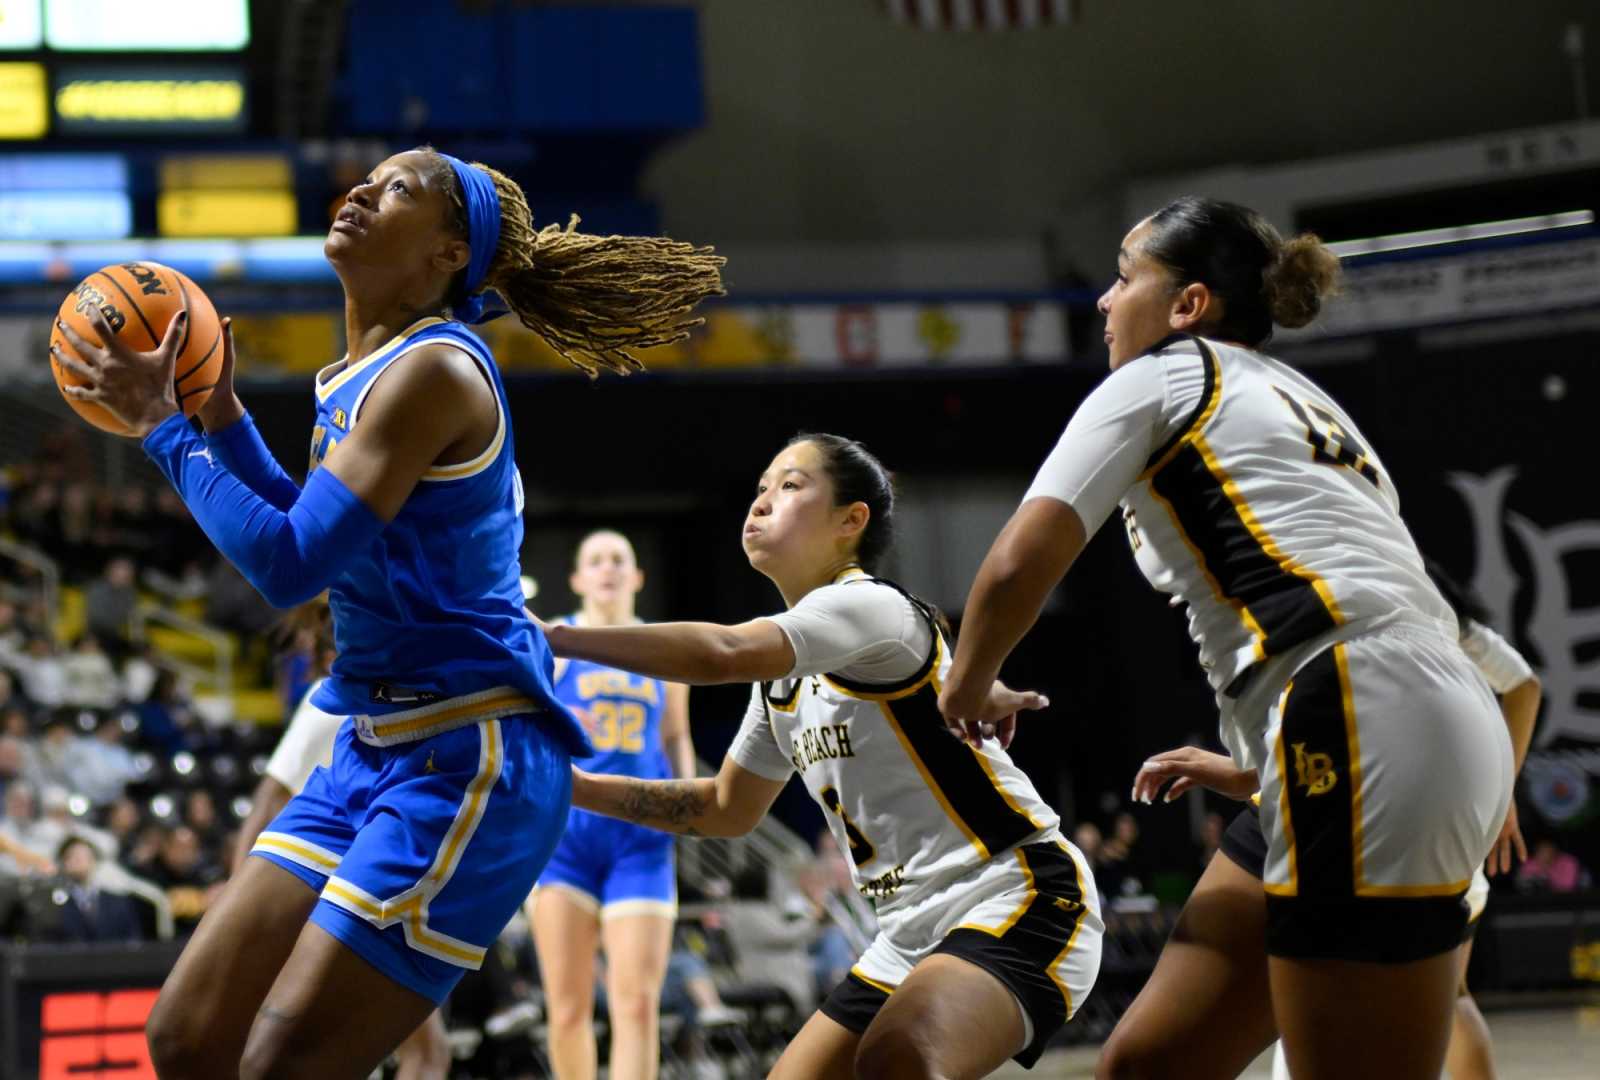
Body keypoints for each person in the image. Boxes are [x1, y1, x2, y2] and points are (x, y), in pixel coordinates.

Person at [51, 145, 723, 1078]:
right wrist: (220, 416)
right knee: (186, 1035)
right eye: (368, 179)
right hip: (374, 744)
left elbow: (291, 565)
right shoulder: (361, 377)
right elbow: (304, 522)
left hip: (471, 761)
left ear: (449, 252)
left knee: (280, 1062)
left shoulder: (436, 372)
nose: (362, 190)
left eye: (397, 188)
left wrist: (165, 430)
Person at [938, 196, 1513, 1080]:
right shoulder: (1313, 409)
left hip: (1361, 715)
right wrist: (1259, 765)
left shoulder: (1166, 374)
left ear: (1188, 305)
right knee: (1149, 1066)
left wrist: (968, 682)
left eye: (1126, 277)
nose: (1103, 300)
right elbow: (1433, 643)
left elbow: (1022, 558)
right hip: (1388, 720)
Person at [542, 433, 1103, 1078]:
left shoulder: (870, 606)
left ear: (850, 521)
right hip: (906, 931)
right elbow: (724, 807)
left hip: (1016, 892)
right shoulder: (782, 680)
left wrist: (553, 637)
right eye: (759, 489)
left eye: (788, 485)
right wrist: (572, 786)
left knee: (900, 1055)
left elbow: (722, 652)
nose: (760, 502)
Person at [1115, 558, 1542, 1080]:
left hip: (1407, 809)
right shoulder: (1336, 595)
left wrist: (1502, 797)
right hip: (1344, 793)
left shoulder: (1397, 597)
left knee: (1415, 1000)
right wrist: (1245, 772)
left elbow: (1521, 685)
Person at [528, 530, 696, 1080]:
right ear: (577, 579)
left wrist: (690, 802)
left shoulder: (662, 650)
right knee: (570, 1006)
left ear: (637, 577)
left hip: (642, 837)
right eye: (595, 560)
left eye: (619, 559)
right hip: (566, 837)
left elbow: (676, 738)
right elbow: (531, 734)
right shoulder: (556, 644)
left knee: (638, 1003)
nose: (607, 569)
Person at [46, 834, 143, 943]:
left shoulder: (119, 902)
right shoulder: (52, 906)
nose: (78, 860)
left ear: (94, 860)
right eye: (71, 856)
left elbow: (133, 942)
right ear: (63, 863)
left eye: (83, 855)